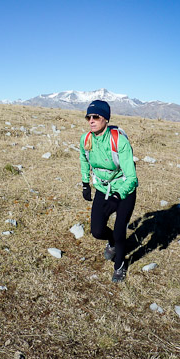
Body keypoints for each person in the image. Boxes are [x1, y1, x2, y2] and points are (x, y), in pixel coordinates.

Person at [79, 100, 138, 282]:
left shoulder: (118, 140)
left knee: (120, 229)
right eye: (88, 117)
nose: (91, 120)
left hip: (124, 190)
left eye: (95, 116)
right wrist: (85, 183)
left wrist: (117, 195)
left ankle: (119, 264)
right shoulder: (86, 139)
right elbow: (83, 159)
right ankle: (112, 242)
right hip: (102, 188)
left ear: (105, 119)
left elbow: (132, 178)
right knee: (96, 231)